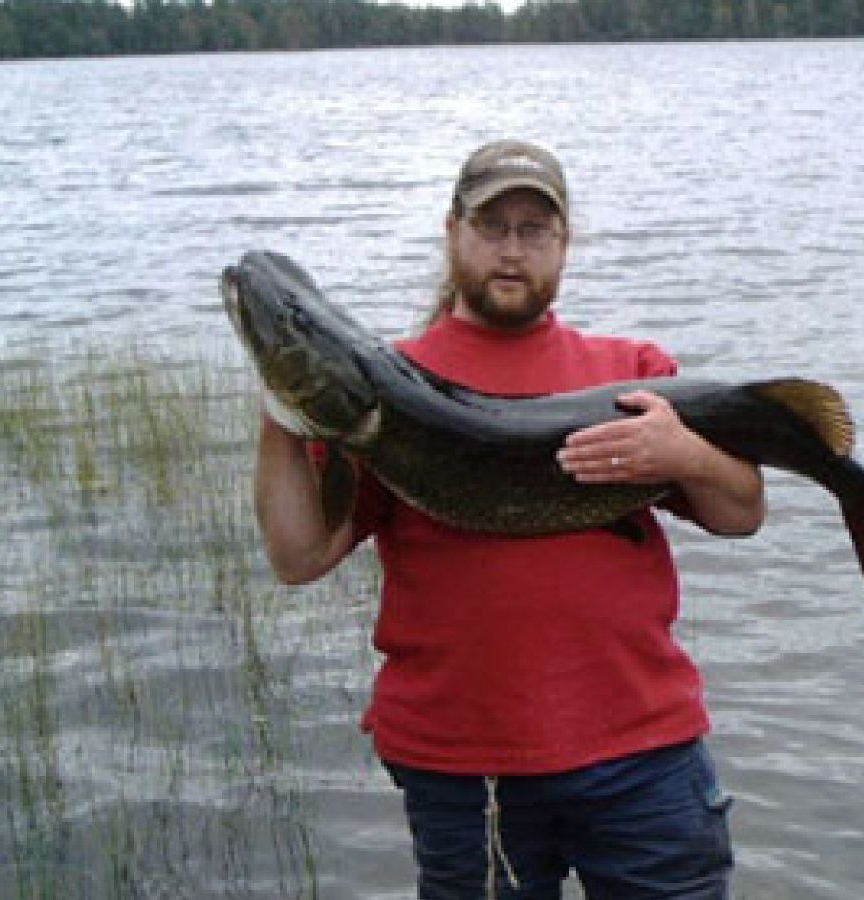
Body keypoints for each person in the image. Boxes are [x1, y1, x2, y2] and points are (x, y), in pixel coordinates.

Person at [253, 139, 766, 899]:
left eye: (535, 231)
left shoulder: (632, 374)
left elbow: (741, 512)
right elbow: (299, 556)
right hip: (466, 775)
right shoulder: (384, 384)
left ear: (564, 245)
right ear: (452, 230)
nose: (512, 251)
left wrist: (686, 455)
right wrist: (280, 404)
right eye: (493, 227)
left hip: (644, 755)